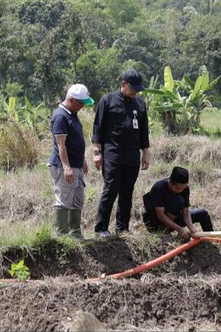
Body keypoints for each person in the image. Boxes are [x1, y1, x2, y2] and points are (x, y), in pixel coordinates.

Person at [92, 68, 150, 238]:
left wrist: (145, 153)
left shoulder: (140, 104)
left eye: (138, 89)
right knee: (111, 189)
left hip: (132, 156)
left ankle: (122, 228)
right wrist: (97, 153)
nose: (136, 92)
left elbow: (143, 131)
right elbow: (98, 129)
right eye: (133, 88)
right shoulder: (107, 100)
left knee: (127, 191)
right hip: (112, 154)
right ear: (123, 84)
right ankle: (101, 228)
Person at [48, 84, 94, 239]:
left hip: (76, 165)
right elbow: (61, 144)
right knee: (64, 200)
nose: (82, 106)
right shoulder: (61, 116)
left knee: (77, 199)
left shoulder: (73, 113)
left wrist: (83, 160)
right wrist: (66, 167)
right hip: (63, 166)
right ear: (72, 99)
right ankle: (61, 235)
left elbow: (76, 141)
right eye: (81, 102)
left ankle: (75, 234)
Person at [142, 166, 214, 240]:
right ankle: (163, 231)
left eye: (183, 188)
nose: (180, 191)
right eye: (178, 188)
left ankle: (212, 240)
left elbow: (186, 212)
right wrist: (180, 229)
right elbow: (161, 216)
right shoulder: (159, 188)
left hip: (173, 219)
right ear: (170, 182)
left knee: (203, 213)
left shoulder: (184, 189)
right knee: (178, 200)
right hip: (155, 222)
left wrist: (192, 229)